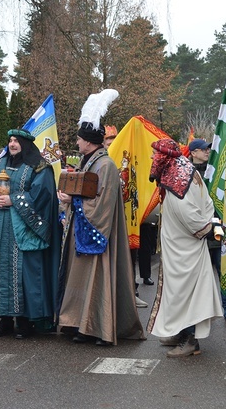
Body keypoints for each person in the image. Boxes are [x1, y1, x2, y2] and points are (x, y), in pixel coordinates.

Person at [57, 90, 144, 346]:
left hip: (96, 234)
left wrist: (72, 201)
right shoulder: (88, 162)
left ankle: (98, 327)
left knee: (96, 279)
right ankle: (78, 323)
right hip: (81, 230)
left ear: (88, 141)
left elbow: (102, 204)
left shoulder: (105, 165)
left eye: (79, 138)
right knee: (80, 279)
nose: (77, 141)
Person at [0, 129, 61, 339]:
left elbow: (43, 194)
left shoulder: (40, 167)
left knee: (23, 274)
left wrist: (14, 200)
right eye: (10, 140)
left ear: (26, 143)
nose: (12, 144)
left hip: (23, 229)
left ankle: (25, 322)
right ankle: (4, 321)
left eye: (17, 141)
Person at [148, 138, 223, 357]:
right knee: (179, 291)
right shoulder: (186, 169)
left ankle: (189, 340)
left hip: (184, 247)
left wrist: (204, 229)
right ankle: (179, 331)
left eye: (155, 155)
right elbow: (206, 203)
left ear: (163, 157)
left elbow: (187, 212)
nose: (153, 158)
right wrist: (207, 223)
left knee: (185, 292)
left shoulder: (176, 179)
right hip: (183, 244)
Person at [189, 138, 226, 321]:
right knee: (200, 275)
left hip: (217, 227)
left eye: (208, 149)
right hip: (197, 230)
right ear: (194, 153)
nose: (207, 152)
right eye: (203, 149)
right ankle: (203, 311)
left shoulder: (216, 171)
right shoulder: (187, 173)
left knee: (223, 270)